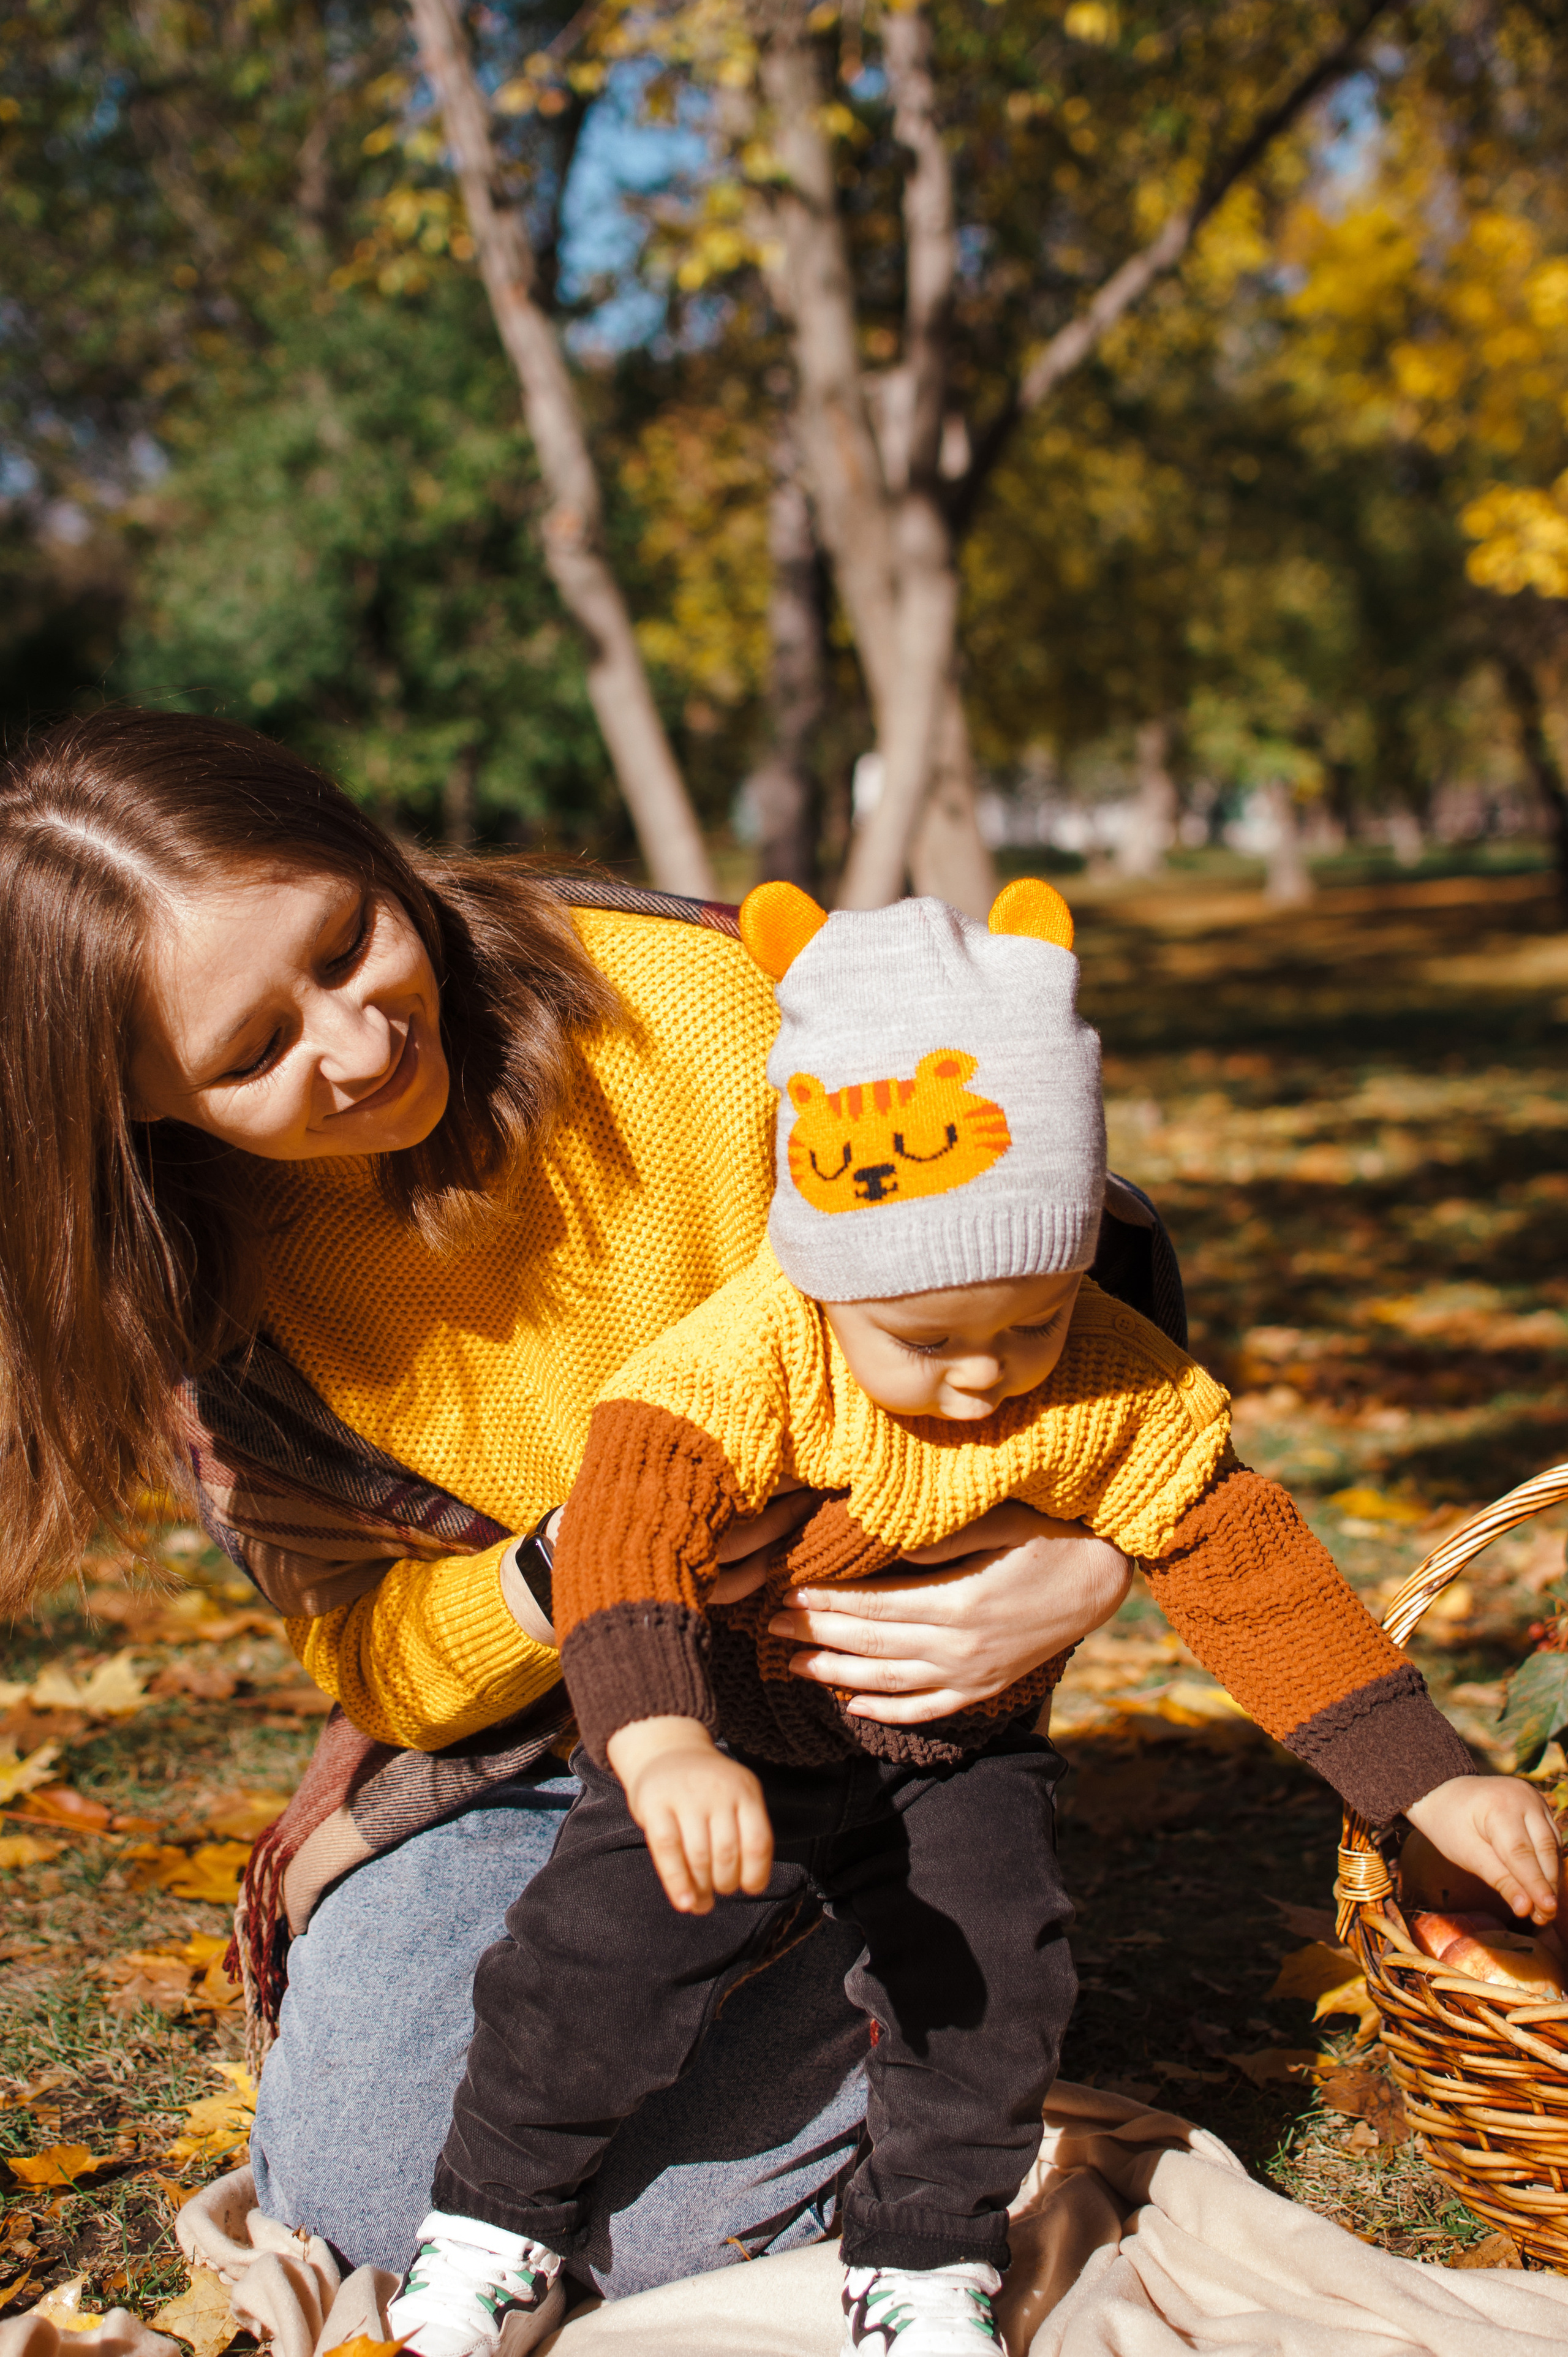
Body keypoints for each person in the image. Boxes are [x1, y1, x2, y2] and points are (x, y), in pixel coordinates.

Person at [0, 709, 1140, 2289]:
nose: (355, 1040)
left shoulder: (698, 1004)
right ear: (136, 1104)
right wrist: (560, 1571)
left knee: (656, 2230)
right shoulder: (211, 1305)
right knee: (362, 2204)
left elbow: (1044, 1273)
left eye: (345, 941)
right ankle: (842, 1983)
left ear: (367, 849)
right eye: (251, 1052)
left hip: (853, 1697)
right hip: (550, 1744)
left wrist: (1078, 1556)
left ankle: (907, 1957)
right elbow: (373, 1663)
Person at [387, 880, 1562, 2357]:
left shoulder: (1105, 1373)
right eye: (928, 1339)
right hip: (736, 1737)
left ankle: (925, 2255)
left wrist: (1424, 1775)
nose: (983, 1377)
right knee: (586, 1967)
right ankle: (493, 2223)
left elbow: (1242, 1558)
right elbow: (626, 1531)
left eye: (1031, 1318)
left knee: (991, 1981)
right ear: (819, 1266)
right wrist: (665, 1739)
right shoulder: (743, 1359)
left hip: (955, 1751)